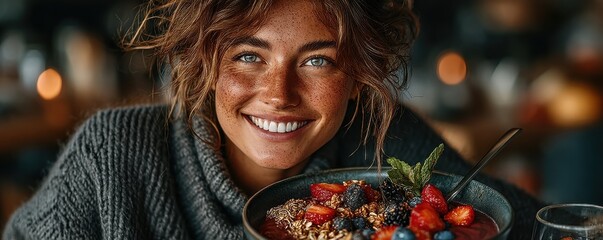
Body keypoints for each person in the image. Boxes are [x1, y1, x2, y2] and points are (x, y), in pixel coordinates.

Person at [3, 0, 542, 239]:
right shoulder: (111, 160)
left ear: (356, 74)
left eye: (316, 60)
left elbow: (551, 229)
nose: (278, 94)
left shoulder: (383, 142)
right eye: (248, 56)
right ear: (205, 61)